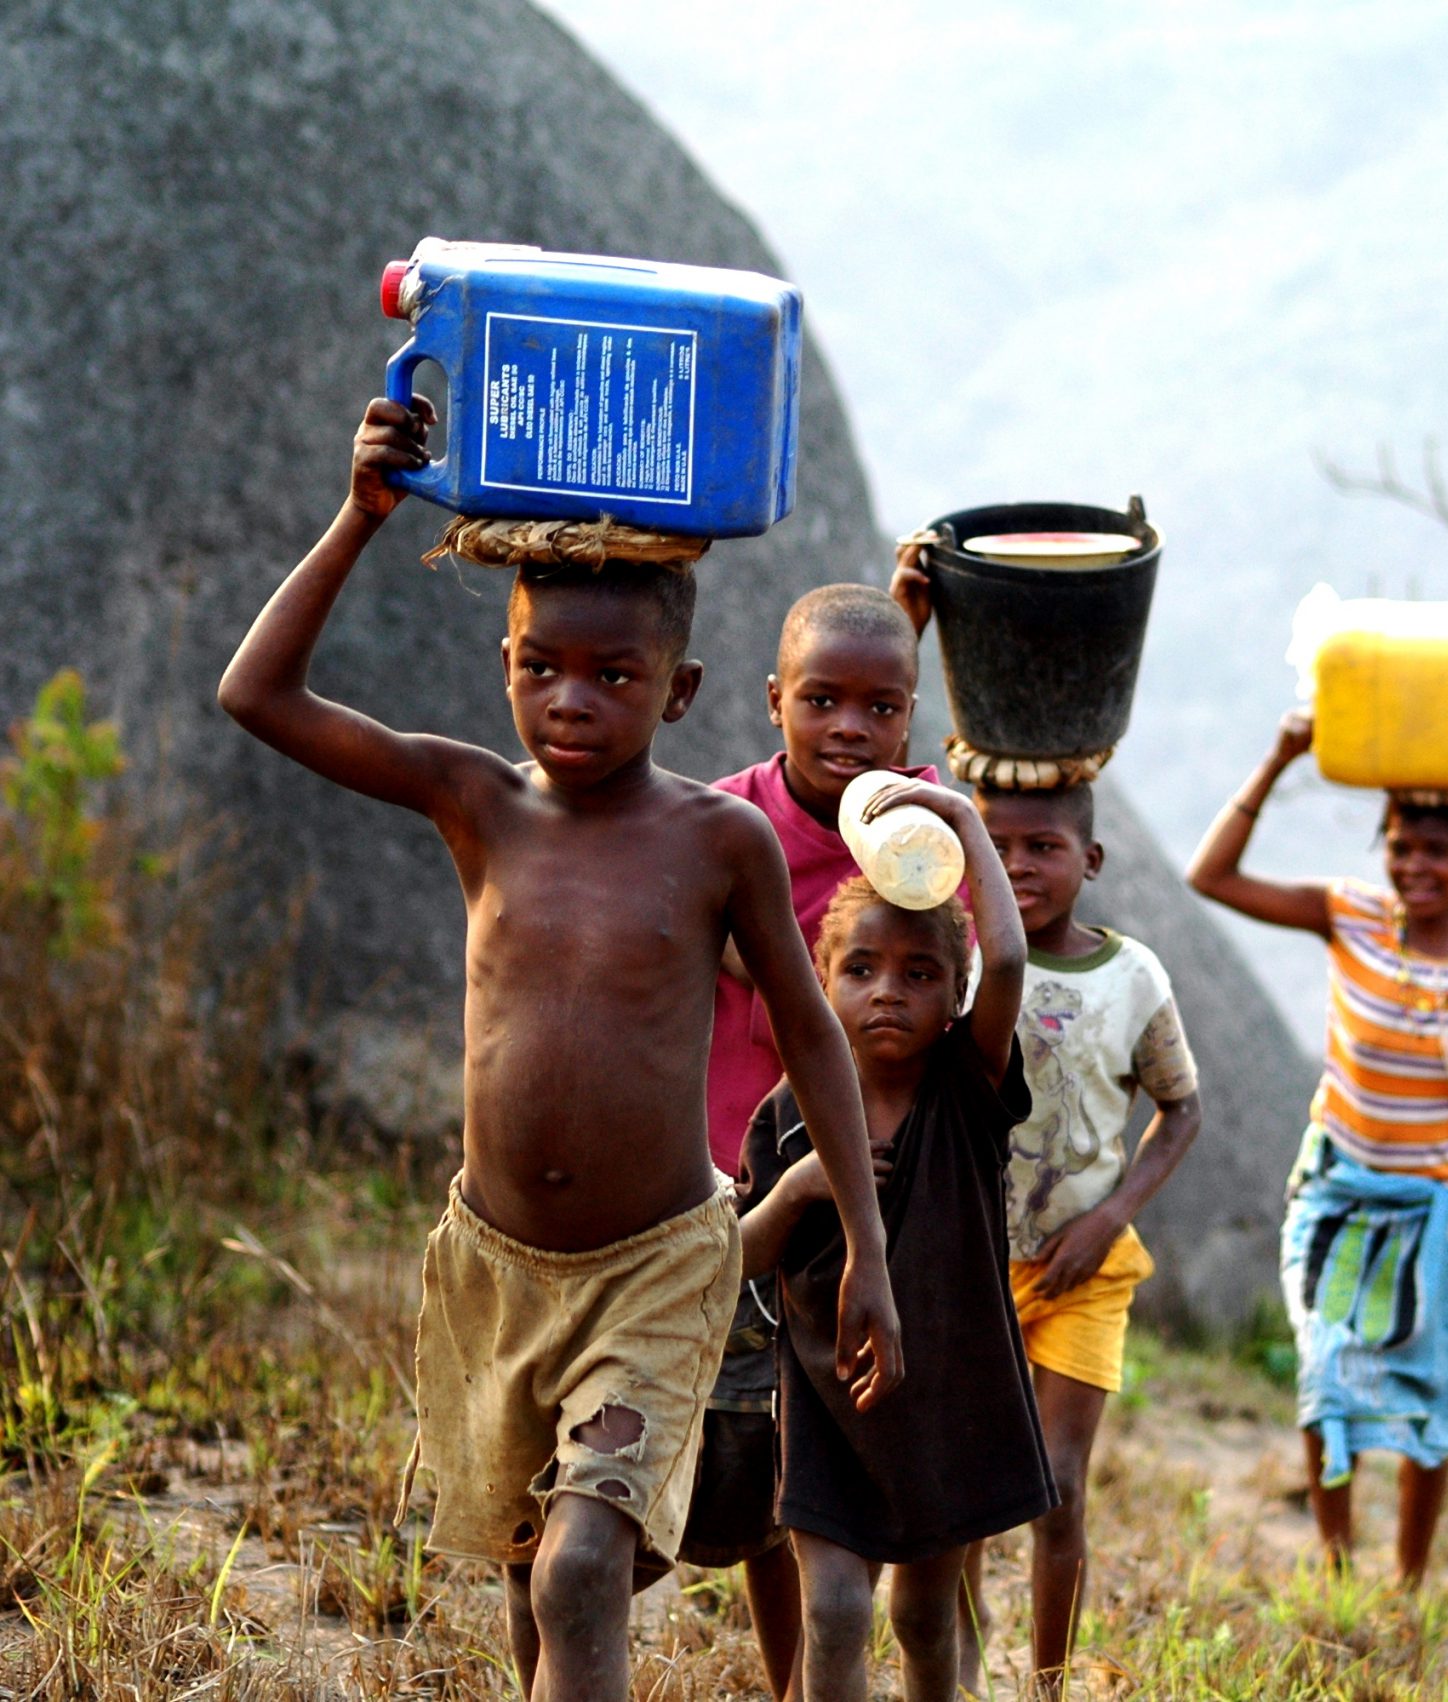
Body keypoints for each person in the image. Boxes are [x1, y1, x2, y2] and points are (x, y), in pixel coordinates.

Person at [216, 397, 902, 1702]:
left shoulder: (716, 841)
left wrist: (866, 1243)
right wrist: (363, 515)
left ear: (681, 690)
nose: (571, 700)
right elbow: (257, 693)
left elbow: (811, 1031)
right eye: (541, 666)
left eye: (615, 675)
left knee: (583, 1570)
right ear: (505, 661)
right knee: (536, 1587)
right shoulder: (475, 801)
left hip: (656, 1266)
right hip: (496, 1271)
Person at [1186, 706, 1448, 1588]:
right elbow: (1211, 876)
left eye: (1437, 851)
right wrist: (1280, 757)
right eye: (1401, 847)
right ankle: (1337, 1564)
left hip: (1447, 1206)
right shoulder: (1347, 916)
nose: (1416, 867)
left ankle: (1411, 1583)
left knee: (1437, 1393)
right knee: (1327, 1373)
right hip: (1341, 1189)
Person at [738, 783, 1055, 1702]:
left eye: (920, 974)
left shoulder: (968, 1089)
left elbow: (1008, 959)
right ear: (819, 978)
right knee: (834, 1612)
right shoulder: (791, 1113)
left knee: (925, 1614)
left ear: (954, 997)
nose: (888, 991)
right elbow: (741, 1258)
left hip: (951, 1394)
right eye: (862, 968)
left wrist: (963, 823)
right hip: (829, 1399)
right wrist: (802, 1187)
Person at [685, 580, 940, 1696]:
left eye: (879, 708)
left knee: (824, 1451)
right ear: (773, 701)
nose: (849, 728)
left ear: (910, 717)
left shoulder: (915, 830)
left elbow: (955, 955)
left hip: (871, 1188)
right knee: (749, 1441)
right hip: (730, 1169)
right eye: (822, 701)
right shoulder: (726, 818)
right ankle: (786, 1665)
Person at [957, 781, 1205, 1697]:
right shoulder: (959, 959)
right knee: (969, 1486)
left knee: (1056, 1484)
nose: (1019, 866)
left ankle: (1049, 1682)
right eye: (1000, 846)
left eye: (1044, 847)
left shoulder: (1132, 976)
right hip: (969, 1264)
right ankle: (964, 1672)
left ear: (1090, 860)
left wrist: (1110, 1217)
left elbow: (1181, 1109)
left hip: (1083, 1273)